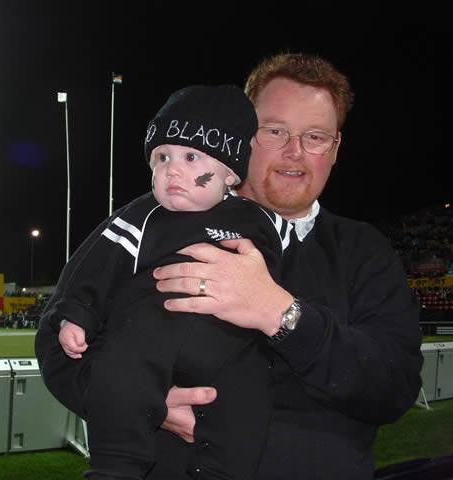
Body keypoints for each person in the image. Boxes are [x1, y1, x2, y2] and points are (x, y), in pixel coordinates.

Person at [37, 53, 424, 479]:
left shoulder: (364, 250)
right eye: (275, 131)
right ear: (241, 138)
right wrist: (138, 399)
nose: (295, 151)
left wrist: (280, 314)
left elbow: (396, 386)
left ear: (335, 149)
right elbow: (58, 345)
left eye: (315, 137)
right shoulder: (152, 220)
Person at [37, 85, 293, 479]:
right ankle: (116, 467)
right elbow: (94, 269)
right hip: (147, 342)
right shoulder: (141, 216)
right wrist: (78, 316)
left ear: (229, 173)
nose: (172, 169)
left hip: (228, 350)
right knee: (121, 372)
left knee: (249, 396)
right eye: (162, 157)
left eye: (191, 157)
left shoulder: (260, 221)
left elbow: (288, 273)